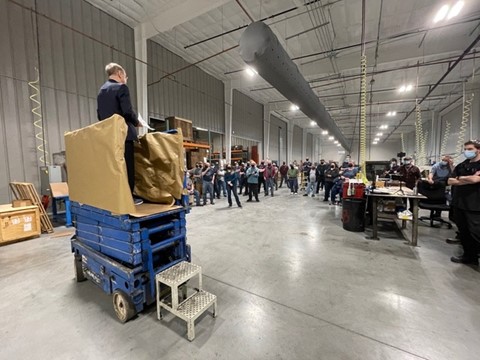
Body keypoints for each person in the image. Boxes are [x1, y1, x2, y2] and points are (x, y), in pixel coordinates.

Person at [97, 63, 143, 205]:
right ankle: (129, 198)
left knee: (114, 168)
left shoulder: (101, 91)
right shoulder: (121, 88)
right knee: (127, 167)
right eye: (125, 76)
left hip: (109, 135)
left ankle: (115, 197)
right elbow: (127, 111)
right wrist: (137, 122)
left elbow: (100, 115)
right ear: (119, 73)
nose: (126, 79)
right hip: (124, 135)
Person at [448, 140, 480, 265]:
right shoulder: (462, 165)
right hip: (459, 202)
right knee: (464, 232)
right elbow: (450, 181)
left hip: (475, 204)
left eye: (470, 149)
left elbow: (476, 179)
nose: (467, 151)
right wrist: (468, 179)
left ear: (478, 149)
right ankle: (469, 257)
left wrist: (460, 178)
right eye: (466, 149)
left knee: (476, 232)